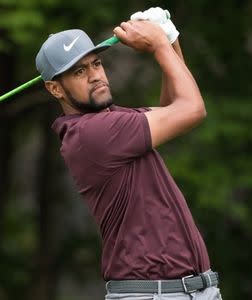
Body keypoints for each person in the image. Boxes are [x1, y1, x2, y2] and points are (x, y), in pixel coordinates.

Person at [35, 7, 222, 300]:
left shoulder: (107, 123)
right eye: (79, 71)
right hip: (155, 294)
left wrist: (170, 39)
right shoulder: (93, 133)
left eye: (96, 64)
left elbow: (172, 105)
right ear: (55, 88)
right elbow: (192, 109)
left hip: (183, 291)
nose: (95, 76)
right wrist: (159, 44)